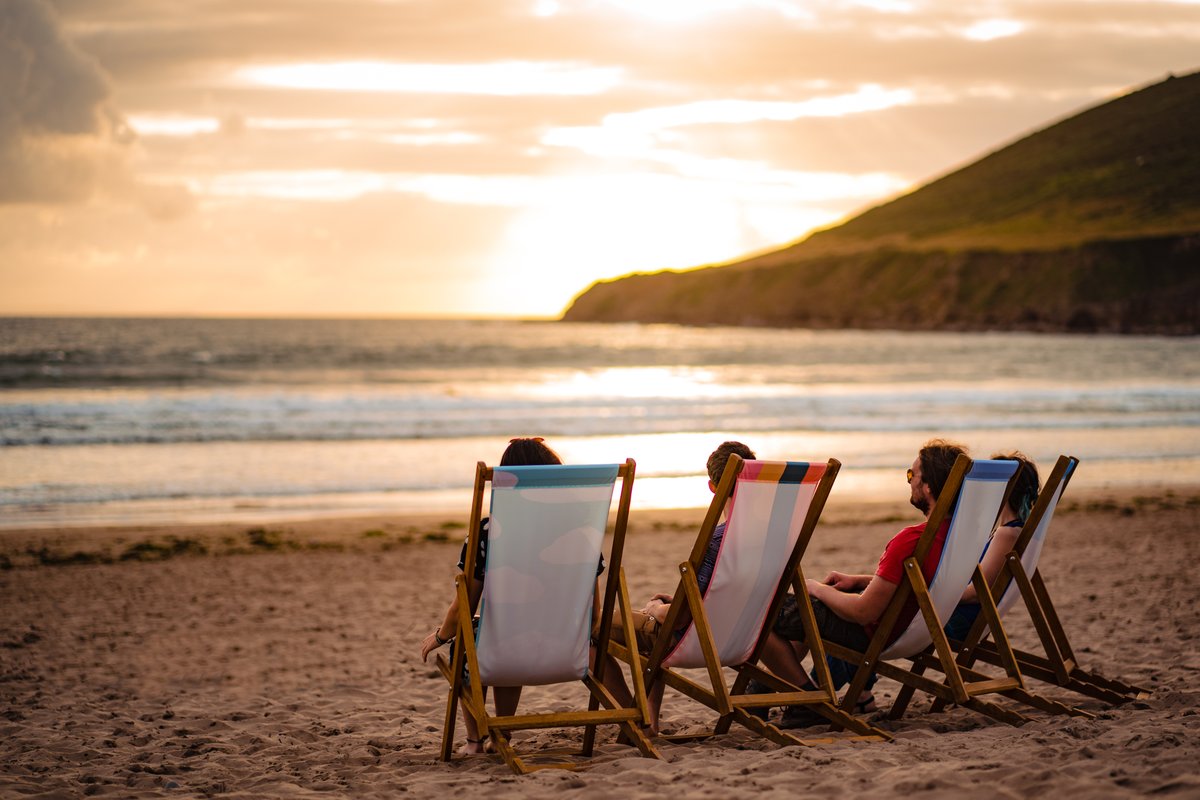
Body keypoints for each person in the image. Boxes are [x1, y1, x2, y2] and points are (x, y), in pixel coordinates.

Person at [763, 438, 968, 727]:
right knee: (800, 612)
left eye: (912, 475)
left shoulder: (910, 540)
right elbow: (923, 584)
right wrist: (859, 581)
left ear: (928, 487)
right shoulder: (960, 538)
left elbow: (863, 612)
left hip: (871, 633)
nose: (909, 481)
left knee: (766, 611)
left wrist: (815, 587)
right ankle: (762, 692)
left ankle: (808, 701)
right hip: (912, 631)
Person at [419, 437, 601, 755]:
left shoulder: (487, 533)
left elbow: (464, 607)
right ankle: (501, 733)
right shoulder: (583, 532)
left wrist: (441, 635)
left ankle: (475, 741)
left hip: (509, 647)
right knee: (505, 632)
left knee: (474, 637)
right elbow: (595, 612)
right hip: (568, 647)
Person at [599, 440, 756, 735]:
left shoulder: (717, 540)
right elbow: (728, 593)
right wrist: (687, 600)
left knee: (597, 630)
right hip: (744, 634)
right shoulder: (769, 538)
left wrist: (657, 609)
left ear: (712, 486)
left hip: (698, 638)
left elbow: (681, 619)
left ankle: (638, 721)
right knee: (653, 629)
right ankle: (650, 719)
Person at [943, 451, 1040, 642]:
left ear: (1002, 489)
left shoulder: (1007, 534)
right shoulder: (1012, 530)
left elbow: (976, 593)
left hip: (959, 620)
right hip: (962, 615)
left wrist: (936, 596)